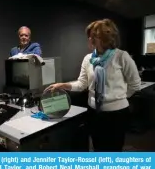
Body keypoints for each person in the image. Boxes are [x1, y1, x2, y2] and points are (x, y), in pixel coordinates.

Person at [45, 19, 141, 152]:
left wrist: (117, 97)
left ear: (105, 37)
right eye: (89, 36)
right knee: (98, 148)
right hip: (94, 113)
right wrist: (63, 85)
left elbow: (135, 85)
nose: (89, 39)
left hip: (116, 115)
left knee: (113, 151)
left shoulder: (122, 56)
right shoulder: (88, 59)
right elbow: (82, 84)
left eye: (93, 35)